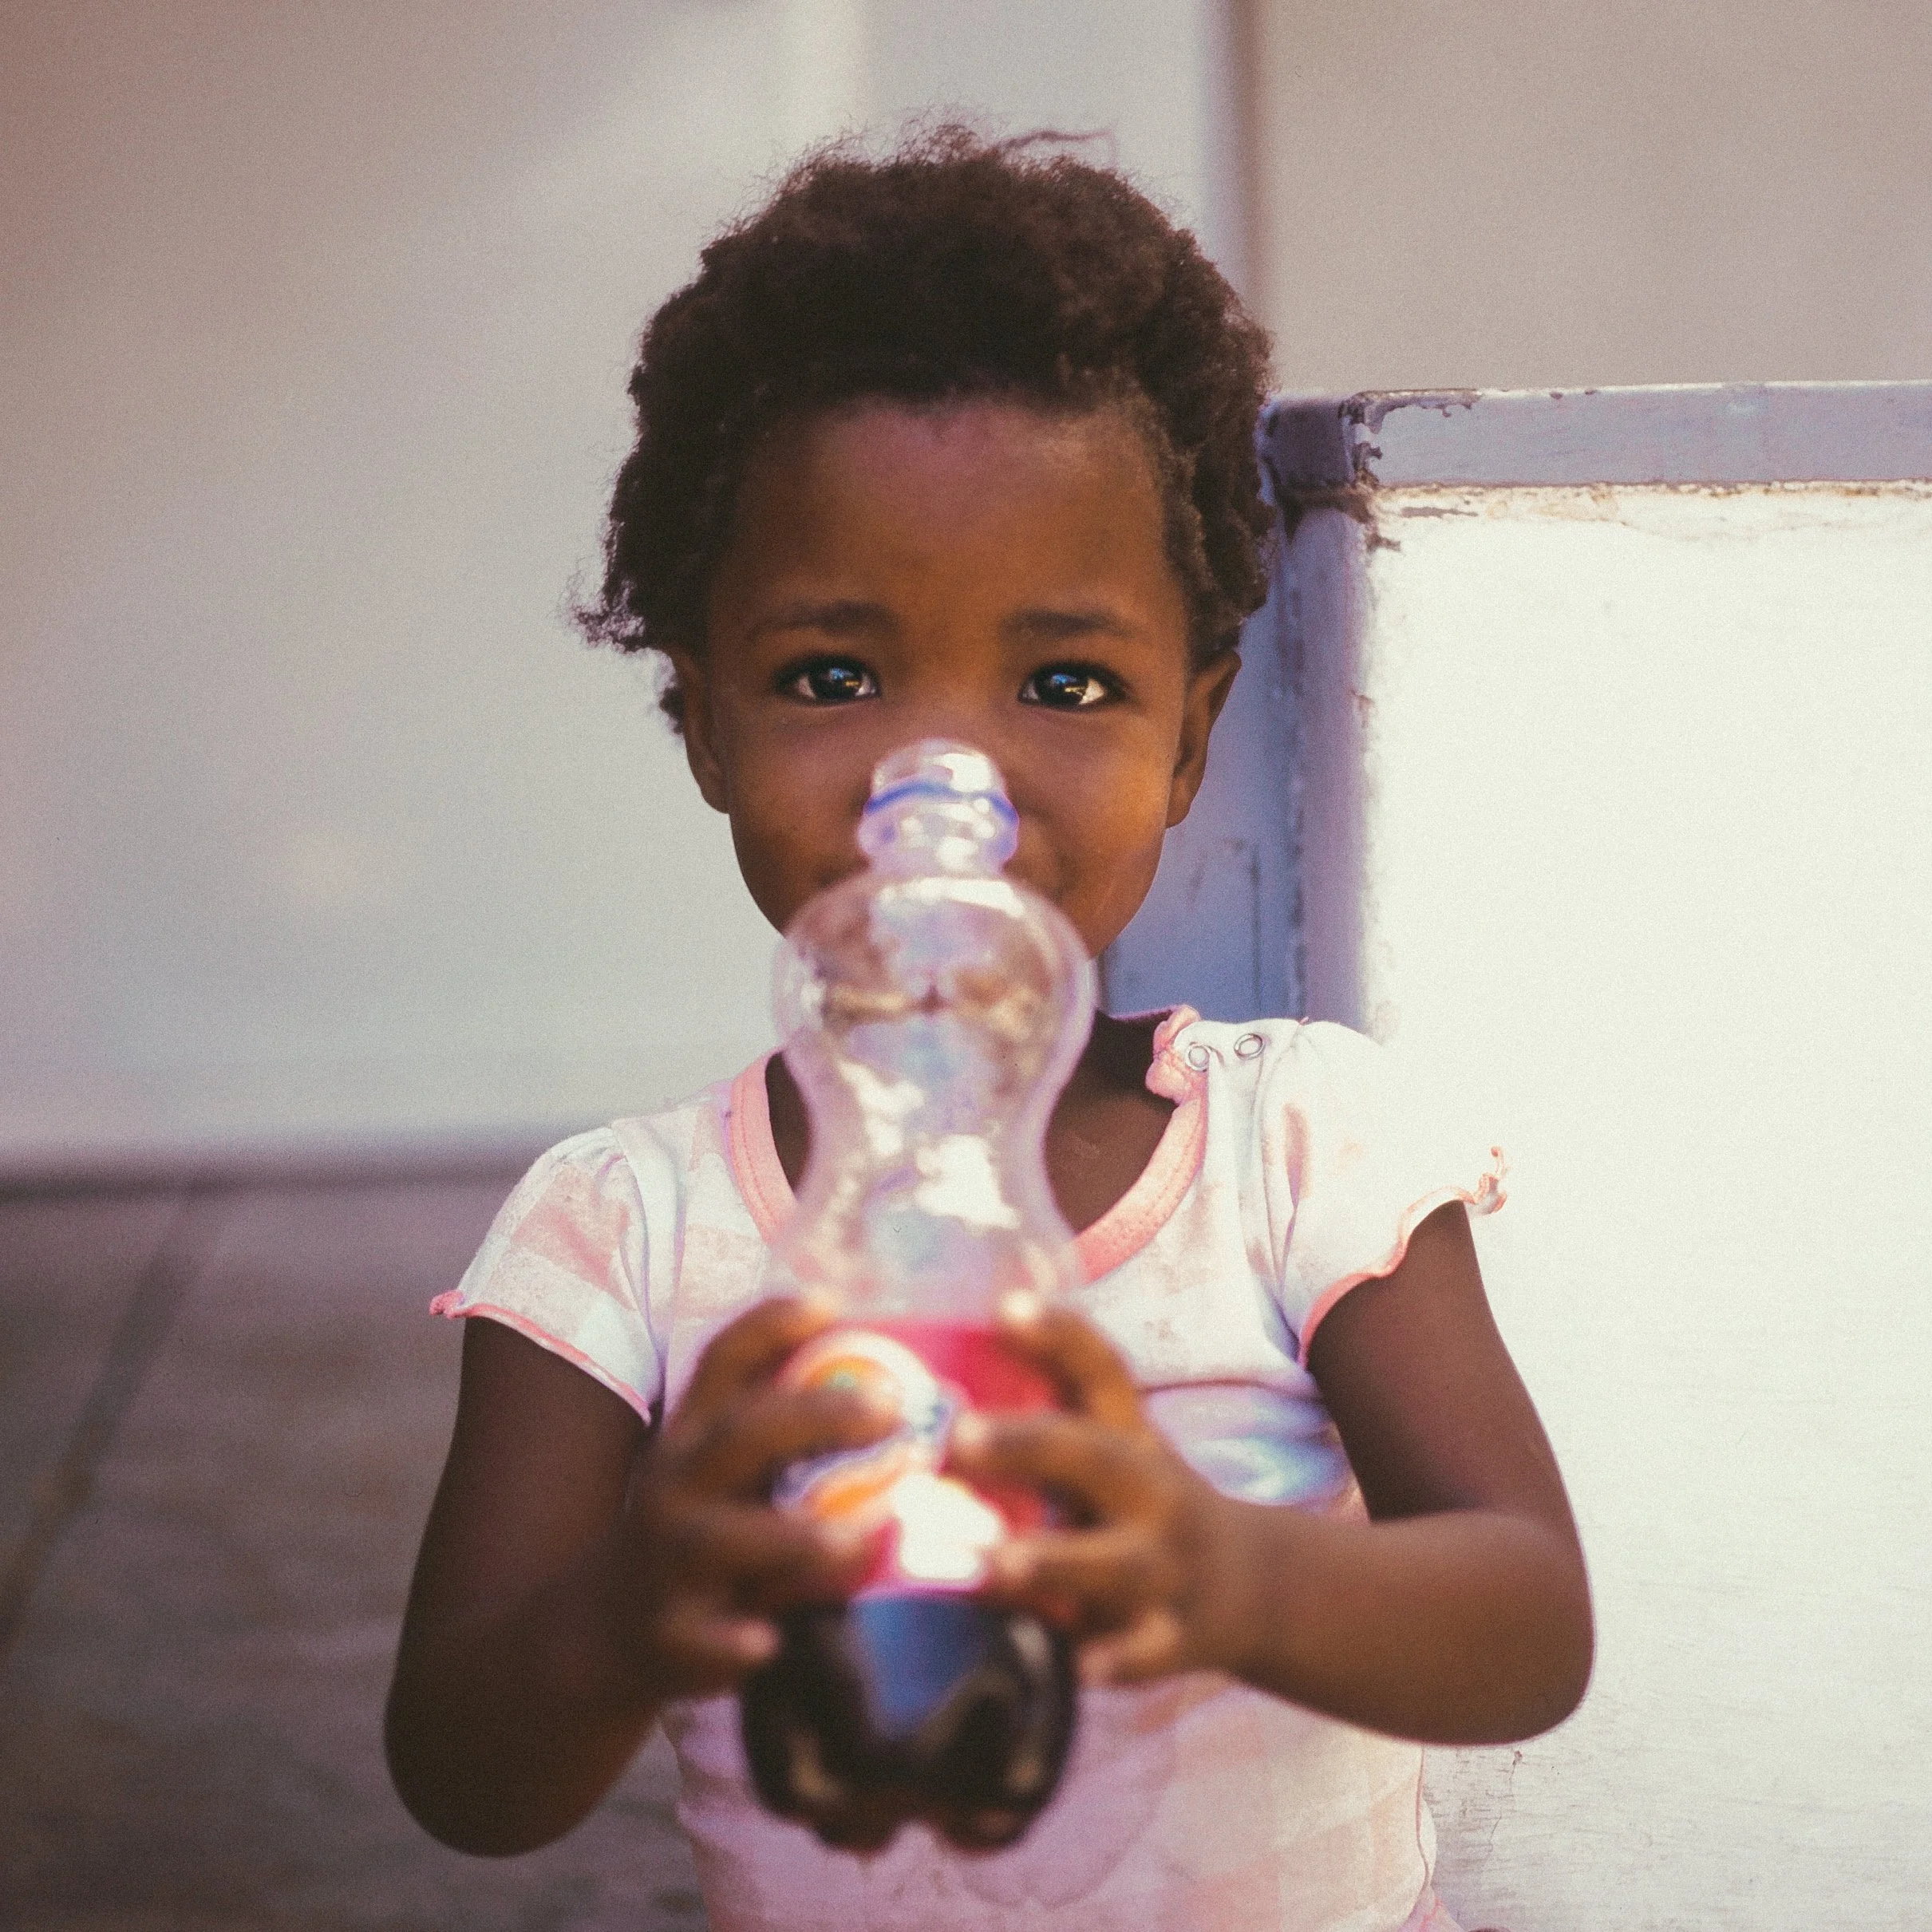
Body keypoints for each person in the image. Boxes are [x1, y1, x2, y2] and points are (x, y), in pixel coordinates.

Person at [385, 127, 1592, 1932]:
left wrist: (1219, 1570)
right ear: (701, 719)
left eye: (1063, 683)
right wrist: (638, 1596)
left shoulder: (1292, 1154)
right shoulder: (624, 1231)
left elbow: (1528, 1627)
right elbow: (462, 1768)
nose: (940, 774)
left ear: (1189, 738)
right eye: (831, 676)